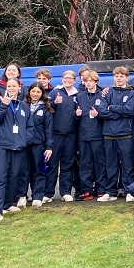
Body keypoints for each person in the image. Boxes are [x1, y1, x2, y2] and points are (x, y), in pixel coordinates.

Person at [0, 78, 29, 226]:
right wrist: (4, 106)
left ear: (19, 88)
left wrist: (24, 139)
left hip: (18, 147)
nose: (11, 88)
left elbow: (29, 127)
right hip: (1, 146)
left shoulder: (24, 106)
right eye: (9, 86)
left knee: (14, 175)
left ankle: (7, 203)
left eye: (14, 86)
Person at [97, 66, 134, 202]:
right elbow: (102, 111)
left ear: (126, 77)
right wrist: (119, 114)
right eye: (116, 76)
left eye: (121, 76)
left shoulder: (132, 93)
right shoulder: (107, 92)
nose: (119, 78)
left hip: (126, 134)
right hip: (108, 135)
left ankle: (129, 191)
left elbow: (129, 110)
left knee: (127, 164)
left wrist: (112, 108)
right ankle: (110, 192)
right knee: (111, 165)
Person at [46, 70, 79, 202]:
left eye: (70, 78)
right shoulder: (55, 92)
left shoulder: (78, 94)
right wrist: (54, 103)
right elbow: (47, 110)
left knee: (68, 164)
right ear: (61, 79)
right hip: (56, 134)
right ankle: (48, 193)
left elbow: (79, 115)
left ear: (74, 80)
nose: (67, 80)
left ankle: (65, 192)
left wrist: (78, 115)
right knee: (52, 164)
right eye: (65, 78)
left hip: (71, 135)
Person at [21, 82, 54, 208]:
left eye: (38, 92)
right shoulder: (22, 106)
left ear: (42, 94)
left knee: (39, 170)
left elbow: (49, 130)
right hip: (23, 144)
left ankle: (37, 196)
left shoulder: (46, 109)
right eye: (33, 91)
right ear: (29, 91)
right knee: (23, 170)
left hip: (38, 144)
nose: (35, 94)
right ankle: (22, 196)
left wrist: (49, 147)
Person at [74, 69, 104, 201]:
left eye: (91, 81)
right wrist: (77, 115)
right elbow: (75, 118)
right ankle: (86, 189)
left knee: (100, 163)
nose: (88, 83)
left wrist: (99, 115)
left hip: (98, 135)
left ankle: (101, 188)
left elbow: (107, 114)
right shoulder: (80, 96)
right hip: (84, 136)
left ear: (96, 81)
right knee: (85, 164)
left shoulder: (103, 95)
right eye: (86, 81)